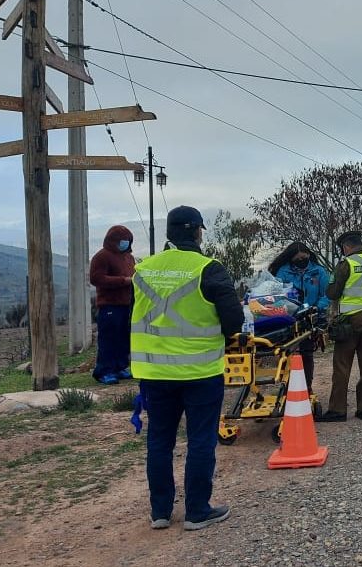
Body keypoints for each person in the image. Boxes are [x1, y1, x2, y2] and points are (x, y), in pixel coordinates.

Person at [130, 205, 242, 531]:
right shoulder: (210, 268)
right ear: (197, 231)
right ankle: (196, 511)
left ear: (169, 232)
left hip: (153, 373)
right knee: (201, 440)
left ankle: (160, 513)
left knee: (159, 441)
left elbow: (131, 314)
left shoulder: (143, 269)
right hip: (200, 371)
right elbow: (233, 319)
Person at [317, 231, 362, 422]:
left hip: (350, 320)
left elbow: (332, 293)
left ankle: (338, 410)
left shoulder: (346, 264)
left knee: (342, 364)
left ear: (346, 247)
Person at [268, 242, 330, 394]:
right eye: (298, 258)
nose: (302, 260)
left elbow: (326, 295)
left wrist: (317, 307)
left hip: (310, 317)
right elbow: (277, 293)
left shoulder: (318, 272)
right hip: (288, 317)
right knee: (287, 353)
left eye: (305, 257)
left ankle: (306, 387)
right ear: (291, 258)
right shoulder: (283, 273)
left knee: (307, 353)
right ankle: (287, 387)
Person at [89, 225, 136, 385]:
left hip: (125, 304)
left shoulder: (129, 258)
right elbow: (97, 279)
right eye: (123, 241)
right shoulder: (102, 257)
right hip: (109, 305)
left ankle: (121, 367)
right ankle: (104, 371)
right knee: (108, 339)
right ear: (113, 241)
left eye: (127, 241)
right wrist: (124, 281)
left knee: (123, 338)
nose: (125, 243)